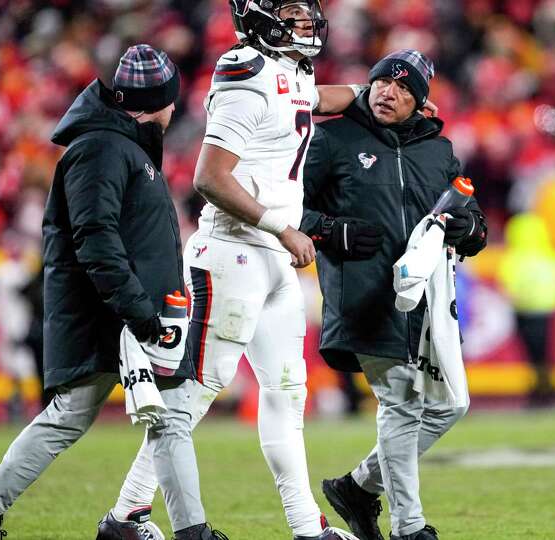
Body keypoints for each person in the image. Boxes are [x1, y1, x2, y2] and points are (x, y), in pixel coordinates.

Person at [98, 3, 370, 539]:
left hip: (270, 259)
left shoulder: (288, 71)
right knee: (194, 393)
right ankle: (126, 516)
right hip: (232, 251)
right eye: (292, 12)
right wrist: (282, 226)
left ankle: (307, 528)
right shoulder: (245, 74)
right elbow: (210, 176)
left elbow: (323, 99)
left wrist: (383, 91)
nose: (306, 23)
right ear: (260, 18)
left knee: (288, 393)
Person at [0, 44, 227, 540]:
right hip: (118, 316)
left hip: (131, 313)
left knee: (160, 418)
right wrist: (140, 312)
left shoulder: (117, 145)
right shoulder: (101, 148)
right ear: (155, 101)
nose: (176, 107)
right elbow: (96, 239)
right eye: (170, 98)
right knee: (83, 417)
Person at [300, 49, 488, 540]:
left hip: (427, 305)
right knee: (402, 403)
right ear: (370, 84)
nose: (390, 91)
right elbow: (280, 206)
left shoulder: (438, 150)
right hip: (363, 293)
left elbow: (473, 221)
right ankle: (410, 527)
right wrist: (328, 230)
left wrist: (468, 227)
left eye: (405, 88)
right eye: (384, 81)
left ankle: (359, 486)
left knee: (450, 404)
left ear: (420, 103)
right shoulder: (332, 138)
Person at [497, 213, 555, 407]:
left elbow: (507, 285)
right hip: (543, 310)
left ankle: (544, 390)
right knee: (541, 354)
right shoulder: (547, 256)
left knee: (535, 354)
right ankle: (545, 389)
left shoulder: (516, 257)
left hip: (527, 311)